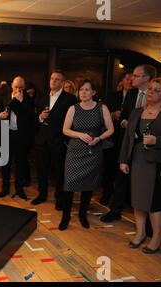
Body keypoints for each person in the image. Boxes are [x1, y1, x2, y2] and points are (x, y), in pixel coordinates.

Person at [119, 77, 161, 253]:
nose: (150, 92)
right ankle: (140, 233)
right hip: (138, 161)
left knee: (154, 205)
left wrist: (158, 140)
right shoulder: (136, 112)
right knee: (138, 202)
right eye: (151, 89)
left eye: (156, 90)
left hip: (159, 164)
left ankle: (156, 237)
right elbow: (128, 138)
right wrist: (123, 160)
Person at [101, 64, 157, 223]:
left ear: (146, 78)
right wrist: (125, 122)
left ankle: (146, 218)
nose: (132, 78)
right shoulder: (132, 94)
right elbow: (124, 116)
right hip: (127, 142)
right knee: (121, 177)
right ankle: (115, 210)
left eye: (136, 75)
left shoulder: (156, 95)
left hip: (147, 145)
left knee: (143, 182)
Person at [58, 80, 114, 230]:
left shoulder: (102, 108)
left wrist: (99, 138)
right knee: (69, 185)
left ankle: (83, 215)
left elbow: (110, 129)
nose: (83, 92)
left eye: (87, 89)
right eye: (81, 89)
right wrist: (80, 135)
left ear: (94, 92)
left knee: (88, 186)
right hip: (75, 151)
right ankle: (66, 216)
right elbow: (65, 130)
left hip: (93, 151)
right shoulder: (73, 108)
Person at [32, 70, 77, 209]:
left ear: (63, 83)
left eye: (57, 79)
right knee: (42, 170)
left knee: (59, 172)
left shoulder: (70, 99)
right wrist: (40, 117)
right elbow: (35, 118)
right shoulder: (43, 98)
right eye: (52, 78)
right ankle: (42, 194)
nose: (53, 81)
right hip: (43, 140)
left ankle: (60, 198)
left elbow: (72, 121)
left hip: (59, 140)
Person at [0, 76, 35, 200]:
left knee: (20, 163)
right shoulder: (5, 98)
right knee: (5, 163)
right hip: (7, 133)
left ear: (24, 87)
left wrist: (19, 102)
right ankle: (5, 188)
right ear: (12, 86)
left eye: (21, 87)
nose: (18, 89)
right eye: (16, 87)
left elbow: (29, 117)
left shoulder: (28, 99)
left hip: (21, 135)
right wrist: (0, 115)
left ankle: (19, 189)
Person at [99, 72, 133, 205]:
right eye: (127, 79)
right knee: (109, 168)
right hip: (112, 139)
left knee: (124, 170)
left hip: (127, 138)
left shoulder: (137, 96)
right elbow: (103, 114)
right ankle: (106, 193)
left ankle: (123, 199)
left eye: (132, 79)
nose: (130, 82)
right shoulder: (113, 96)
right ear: (122, 81)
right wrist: (113, 114)